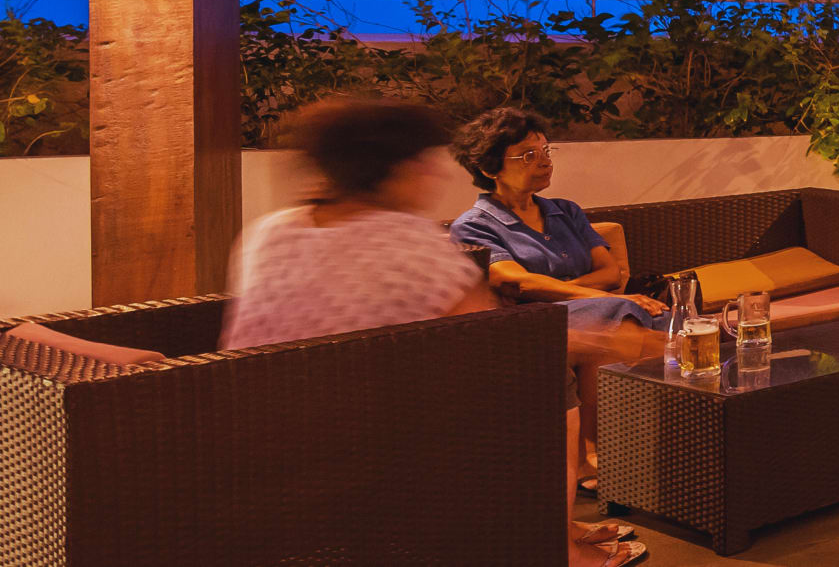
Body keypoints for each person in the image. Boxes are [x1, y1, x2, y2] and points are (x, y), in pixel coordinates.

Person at [227, 99, 647, 565]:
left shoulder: (270, 231)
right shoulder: (407, 240)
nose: (434, 175)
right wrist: (614, 341)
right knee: (549, 380)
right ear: (396, 170)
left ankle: (561, 526)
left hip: (253, 439)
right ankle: (558, 548)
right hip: (373, 447)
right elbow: (503, 339)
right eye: (424, 162)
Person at [449, 108, 666, 490]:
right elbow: (516, 282)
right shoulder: (473, 225)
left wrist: (565, 291)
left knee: (652, 317)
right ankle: (603, 454)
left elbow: (610, 272)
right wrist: (588, 295)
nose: (544, 162)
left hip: (590, 312)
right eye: (527, 155)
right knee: (621, 311)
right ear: (489, 168)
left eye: (546, 151)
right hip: (532, 322)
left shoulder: (566, 211)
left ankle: (620, 453)